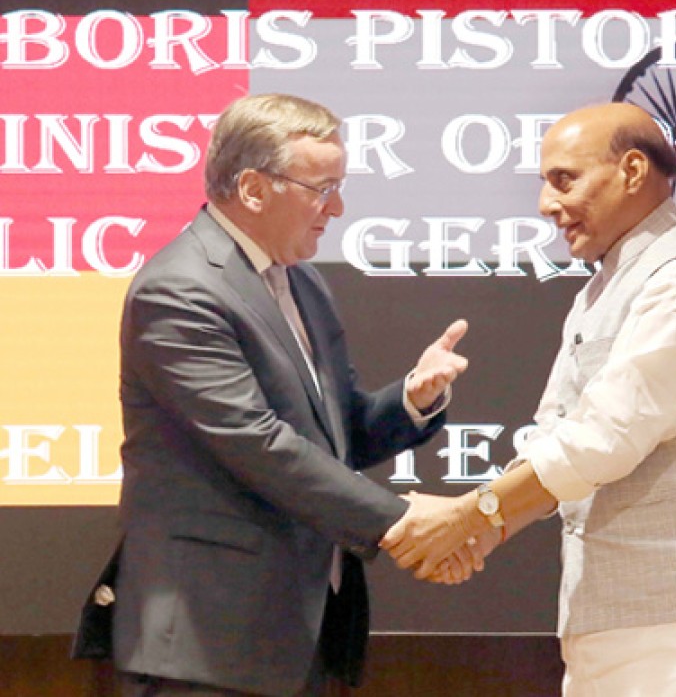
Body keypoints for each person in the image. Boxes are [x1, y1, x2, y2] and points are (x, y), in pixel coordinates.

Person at [383, 103, 676, 696]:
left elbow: (605, 437)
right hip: (622, 624)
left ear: (633, 170)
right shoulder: (606, 286)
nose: (546, 204)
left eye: (563, 179)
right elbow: (556, 435)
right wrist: (486, 530)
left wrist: (472, 515)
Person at [97, 93, 475, 697]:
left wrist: (412, 399)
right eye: (322, 189)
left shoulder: (301, 282)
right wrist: (402, 521)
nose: (338, 208)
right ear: (253, 189)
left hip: (293, 636)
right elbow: (258, 444)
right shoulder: (179, 290)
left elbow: (333, 433)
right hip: (205, 641)